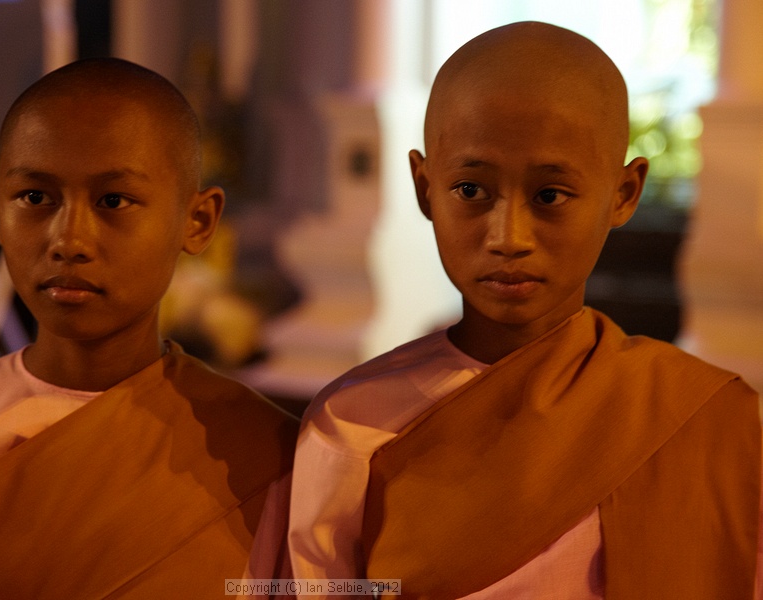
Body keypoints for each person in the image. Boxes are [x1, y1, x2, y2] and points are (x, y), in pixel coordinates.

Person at [287, 21, 762, 599]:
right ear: (424, 187)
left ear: (623, 194)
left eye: (549, 195)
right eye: (470, 190)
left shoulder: (711, 421)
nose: (508, 237)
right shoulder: (352, 426)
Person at [0, 58, 298, 599]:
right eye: (36, 198)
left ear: (198, 221)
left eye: (113, 200)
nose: (69, 239)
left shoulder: (269, 456)